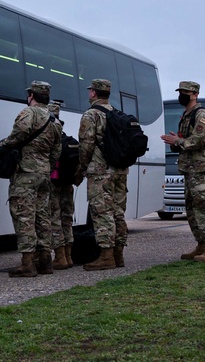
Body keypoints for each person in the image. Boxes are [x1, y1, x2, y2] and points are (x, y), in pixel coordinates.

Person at [0, 81, 62, 277]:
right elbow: (56, 151)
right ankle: (45, 261)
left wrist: (5, 145)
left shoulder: (28, 113)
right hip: (43, 174)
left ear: (31, 96)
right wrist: (46, 166)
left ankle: (27, 263)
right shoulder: (54, 121)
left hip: (26, 173)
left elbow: (18, 135)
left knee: (23, 215)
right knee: (42, 216)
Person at [160, 81, 205, 262]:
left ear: (195, 94)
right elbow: (189, 139)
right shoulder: (186, 115)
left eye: (185, 92)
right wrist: (178, 139)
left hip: (201, 169)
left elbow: (199, 139)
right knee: (193, 209)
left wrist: (177, 141)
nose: (182, 95)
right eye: (180, 92)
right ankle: (201, 244)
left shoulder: (201, 114)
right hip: (190, 169)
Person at [75, 79, 130, 270]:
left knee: (102, 213)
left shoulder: (91, 115)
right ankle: (118, 255)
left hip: (100, 171)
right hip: (120, 170)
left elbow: (86, 145)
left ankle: (106, 256)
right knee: (118, 213)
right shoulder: (117, 113)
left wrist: (82, 168)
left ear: (93, 93)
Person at [47, 100, 77, 270]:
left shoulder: (50, 136)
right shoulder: (65, 137)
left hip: (54, 182)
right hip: (68, 183)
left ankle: (59, 257)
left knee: (54, 218)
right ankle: (68, 256)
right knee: (67, 219)